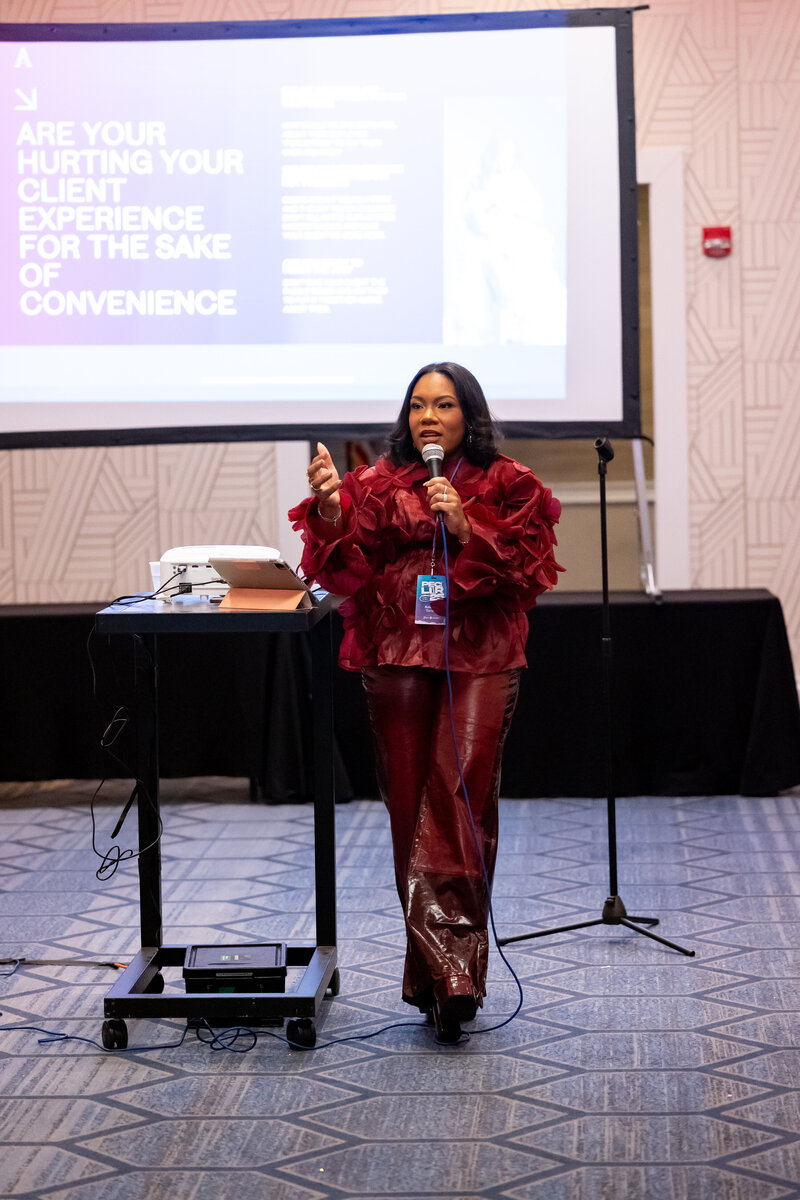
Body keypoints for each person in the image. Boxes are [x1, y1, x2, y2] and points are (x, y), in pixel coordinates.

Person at [288, 362, 562, 1042]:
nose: (429, 417)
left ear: (469, 414)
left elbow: (529, 567)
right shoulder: (375, 484)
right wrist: (327, 508)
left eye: (443, 404)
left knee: (461, 800)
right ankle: (442, 985)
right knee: (411, 811)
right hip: (396, 648)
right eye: (418, 406)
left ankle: (455, 975)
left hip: (482, 651)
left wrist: (468, 527)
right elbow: (340, 565)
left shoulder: (509, 482)